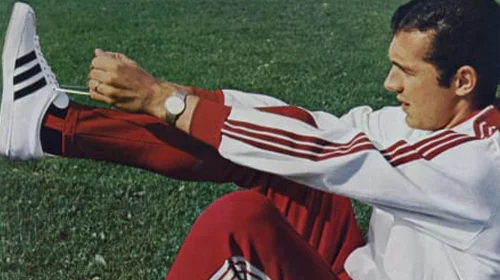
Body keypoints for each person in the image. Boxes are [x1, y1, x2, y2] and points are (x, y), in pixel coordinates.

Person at [1, 0, 499, 279]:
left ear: (463, 81)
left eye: (405, 71)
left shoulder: (478, 167)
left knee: (239, 222)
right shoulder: (432, 124)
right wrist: (176, 96)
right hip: (358, 271)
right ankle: (50, 124)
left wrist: (166, 103)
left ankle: (49, 124)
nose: (390, 85)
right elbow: (313, 127)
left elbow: (326, 153)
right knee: (286, 157)